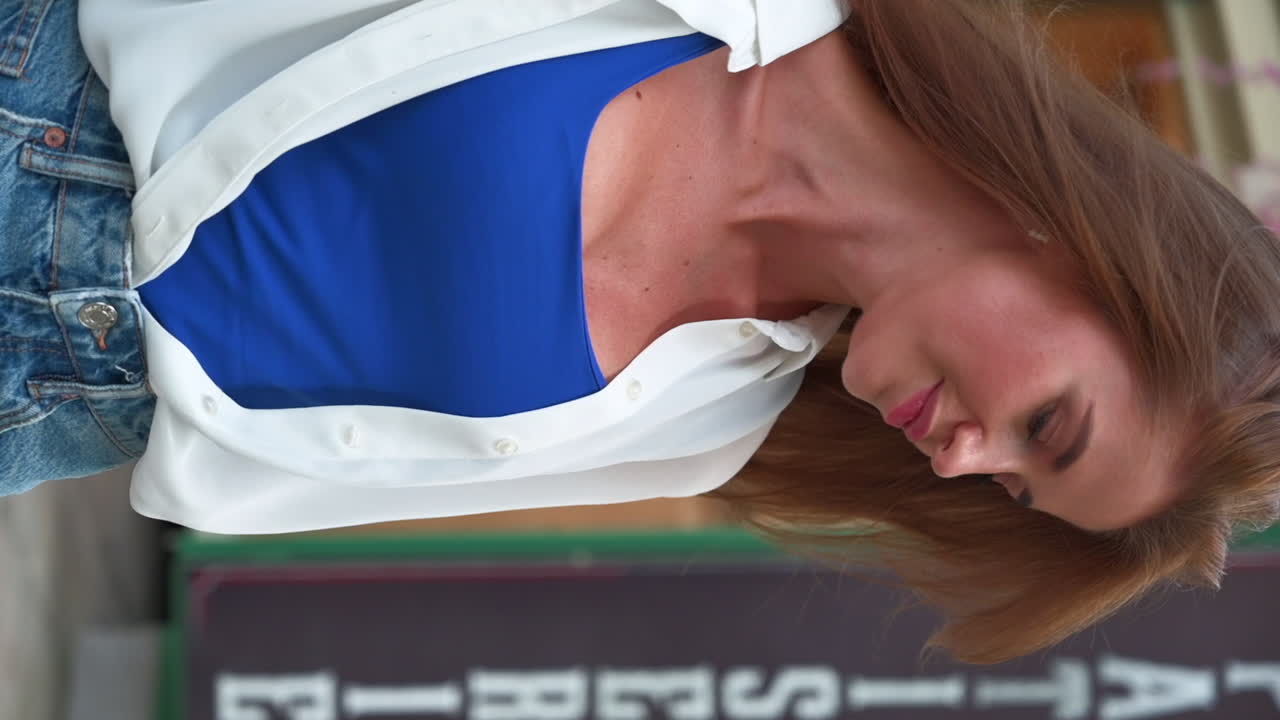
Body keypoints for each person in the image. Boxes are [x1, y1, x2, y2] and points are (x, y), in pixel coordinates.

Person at [0, 0, 1275, 663]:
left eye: (1009, 486)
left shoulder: (706, 430)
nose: (963, 461)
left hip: (44, 408)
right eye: (1045, 426)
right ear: (1097, 253)